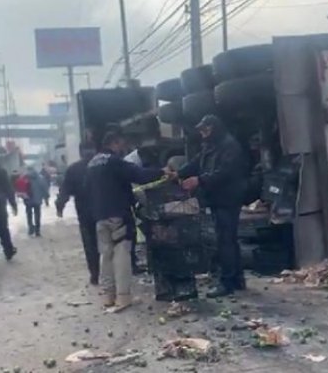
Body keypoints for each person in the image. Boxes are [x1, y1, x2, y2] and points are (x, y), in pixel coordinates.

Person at [85, 131, 169, 312]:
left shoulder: (92, 163)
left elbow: (87, 190)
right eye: (121, 145)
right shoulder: (114, 162)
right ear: (114, 143)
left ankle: (108, 296)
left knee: (105, 255)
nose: (123, 149)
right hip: (117, 214)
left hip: (99, 216)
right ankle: (123, 297)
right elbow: (139, 175)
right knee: (121, 254)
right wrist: (162, 172)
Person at [177, 115, 247, 298]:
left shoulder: (229, 146)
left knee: (225, 241)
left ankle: (227, 282)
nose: (202, 133)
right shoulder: (211, 146)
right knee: (229, 239)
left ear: (214, 128)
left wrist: (199, 180)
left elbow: (225, 172)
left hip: (228, 199)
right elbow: (196, 163)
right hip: (217, 199)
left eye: (205, 130)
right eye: (201, 130)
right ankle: (237, 280)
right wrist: (177, 173)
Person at [56, 143, 99, 285]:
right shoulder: (102, 165)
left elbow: (65, 190)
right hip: (104, 211)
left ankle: (95, 273)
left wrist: (60, 206)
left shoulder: (73, 169)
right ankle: (108, 274)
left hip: (85, 213)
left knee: (90, 244)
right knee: (108, 243)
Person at [21, 166, 49, 236]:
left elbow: (20, 188)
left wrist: (22, 196)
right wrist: (46, 196)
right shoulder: (40, 178)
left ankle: (30, 227)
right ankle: (37, 230)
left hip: (28, 199)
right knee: (37, 214)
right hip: (37, 199)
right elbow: (44, 187)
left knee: (29, 214)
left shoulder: (24, 177)